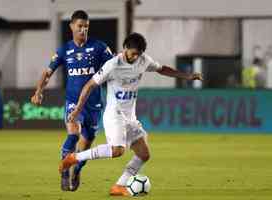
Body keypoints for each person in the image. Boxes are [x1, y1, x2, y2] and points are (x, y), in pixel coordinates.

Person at [60, 32, 203, 196]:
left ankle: (119, 186)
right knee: (117, 150)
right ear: (125, 48)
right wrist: (78, 109)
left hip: (130, 117)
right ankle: (74, 158)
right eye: (133, 53)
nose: (135, 57)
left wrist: (187, 76)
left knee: (144, 154)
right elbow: (89, 85)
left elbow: (162, 69)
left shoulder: (144, 60)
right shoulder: (112, 65)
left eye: (138, 54)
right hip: (114, 114)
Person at [30, 10, 113, 191]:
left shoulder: (99, 47)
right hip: (73, 102)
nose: (83, 30)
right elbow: (47, 73)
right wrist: (39, 91)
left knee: (86, 143)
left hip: (93, 104)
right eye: (80, 26)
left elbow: (115, 68)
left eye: (86, 27)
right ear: (71, 26)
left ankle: (77, 170)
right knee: (73, 134)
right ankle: (65, 170)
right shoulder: (64, 50)